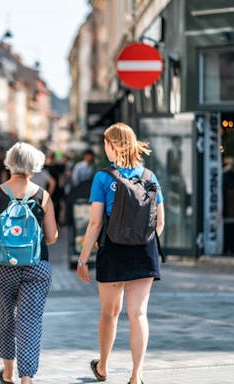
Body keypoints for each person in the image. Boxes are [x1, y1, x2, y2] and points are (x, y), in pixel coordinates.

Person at [76, 122, 164, 384]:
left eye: (106, 144)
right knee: (138, 313)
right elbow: (159, 222)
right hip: (144, 250)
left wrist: (83, 258)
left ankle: (103, 367)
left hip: (113, 249)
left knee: (109, 313)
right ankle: (136, 375)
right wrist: (144, 238)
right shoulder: (150, 176)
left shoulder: (103, 177)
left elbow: (95, 223)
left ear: (112, 145)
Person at [0, 142, 58, 384]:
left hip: (3, 266)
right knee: (30, 321)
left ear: (9, 163)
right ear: (35, 165)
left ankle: (8, 372)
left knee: (7, 316)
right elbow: (52, 237)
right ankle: (26, 378)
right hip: (37, 265)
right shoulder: (43, 196)